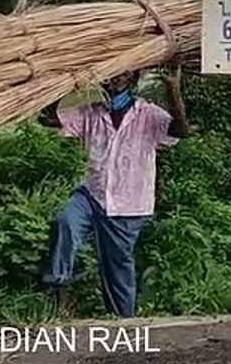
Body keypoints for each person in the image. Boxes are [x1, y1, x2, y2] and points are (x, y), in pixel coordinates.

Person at [38, 67, 187, 317]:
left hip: (127, 204)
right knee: (64, 222)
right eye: (111, 74)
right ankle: (58, 291)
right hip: (92, 195)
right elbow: (50, 118)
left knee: (116, 266)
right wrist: (65, 84)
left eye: (123, 74)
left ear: (134, 79)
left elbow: (180, 131)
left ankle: (123, 323)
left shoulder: (148, 114)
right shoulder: (91, 113)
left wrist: (173, 90)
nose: (116, 79)